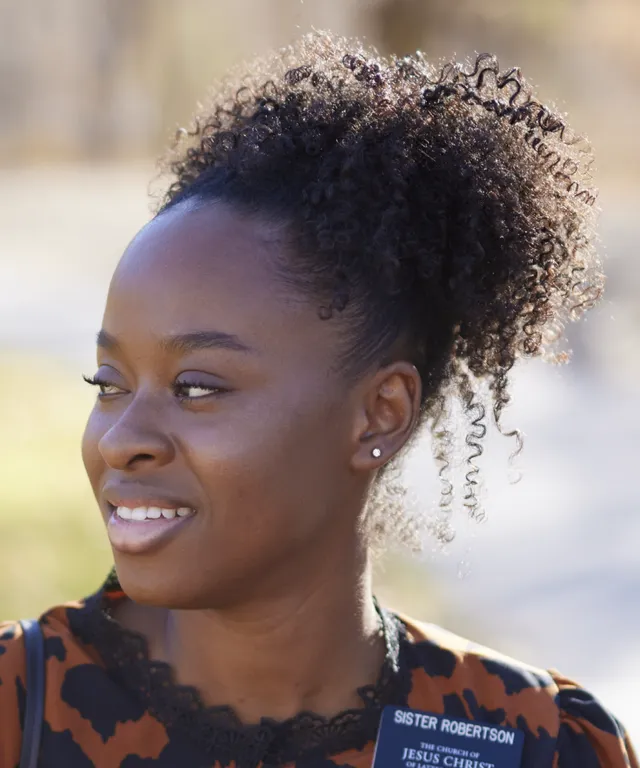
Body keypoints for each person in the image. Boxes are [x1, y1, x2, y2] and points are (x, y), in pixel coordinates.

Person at [0, 31, 635, 768]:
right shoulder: (22, 707)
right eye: (108, 385)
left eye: (196, 387)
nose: (119, 439)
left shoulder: (534, 744)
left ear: (381, 414)